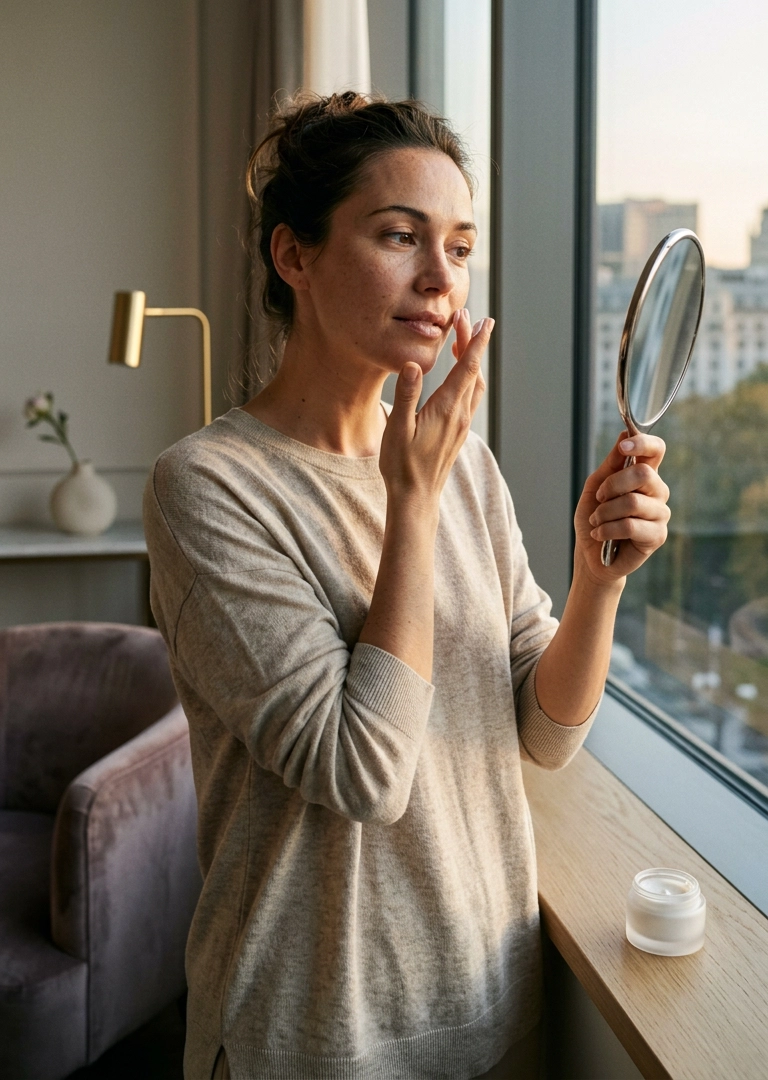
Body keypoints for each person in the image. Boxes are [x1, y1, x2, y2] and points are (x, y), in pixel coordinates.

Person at [144, 94, 670, 1080]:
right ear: (293, 255)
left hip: (488, 1000)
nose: (441, 281)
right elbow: (364, 771)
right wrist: (411, 502)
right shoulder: (208, 487)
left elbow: (542, 734)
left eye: (462, 248)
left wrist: (597, 585)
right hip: (318, 1033)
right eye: (400, 236)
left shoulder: (461, 463)